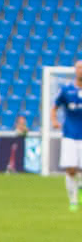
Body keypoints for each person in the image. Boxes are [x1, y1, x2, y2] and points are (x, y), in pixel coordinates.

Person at [52, 62, 82, 208]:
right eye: (79, 67)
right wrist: (54, 120)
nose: (80, 70)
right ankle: (73, 200)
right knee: (70, 169)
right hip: (69, 134)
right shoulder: (66, 90)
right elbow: (54, 107)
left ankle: (80, 184)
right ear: (75, 70)